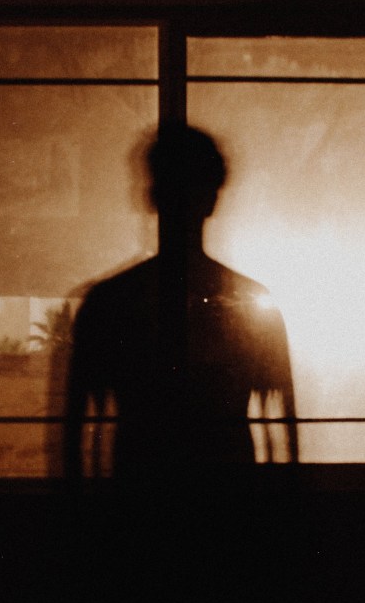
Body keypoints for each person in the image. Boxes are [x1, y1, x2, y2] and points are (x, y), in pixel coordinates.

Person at [63, 123, 298, 490]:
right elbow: (282, 428)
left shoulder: (110, 300)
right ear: (213, 199)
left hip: (138, 495)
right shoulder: (250, 303)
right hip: (231, 499)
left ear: (150, 196)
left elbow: (77, 436)